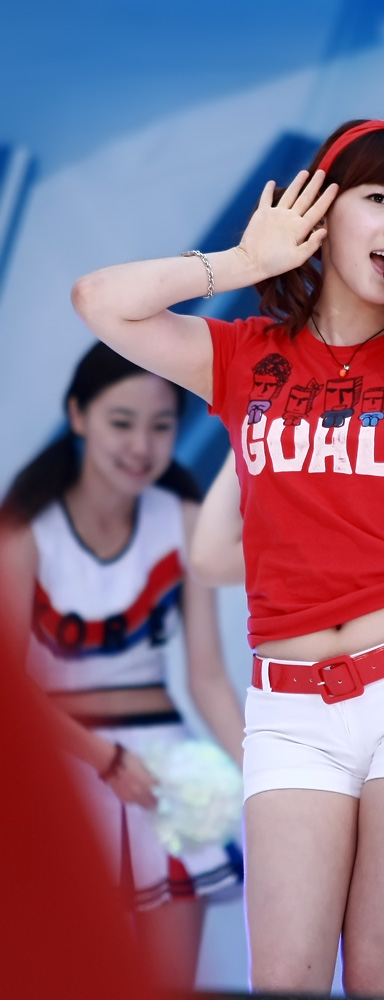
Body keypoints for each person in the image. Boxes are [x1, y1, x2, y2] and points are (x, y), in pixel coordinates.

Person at [69, 72, 384, 996]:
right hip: (290, 706)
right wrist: (240, 263)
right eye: (378, 199)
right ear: (321, 210)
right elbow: (99, 300)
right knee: (285, 974)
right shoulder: (247, 354)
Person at [0, 342, 246, 990]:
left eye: (160, 426)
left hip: (167, 778)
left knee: (167, 985)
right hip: (64, 768)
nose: (141, 445)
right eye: (121, 422)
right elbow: (9, 689)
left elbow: (207, 678)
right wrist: (102, 758)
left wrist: (270, 779)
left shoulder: (183, 519)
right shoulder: (25, 533)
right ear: (77, 415)